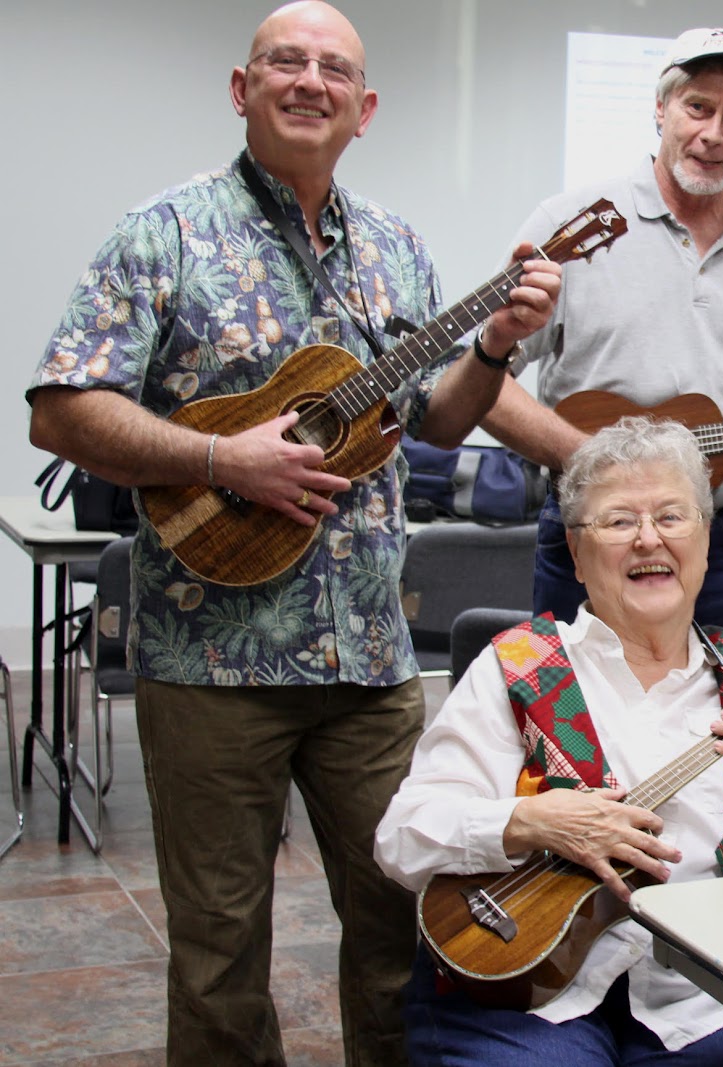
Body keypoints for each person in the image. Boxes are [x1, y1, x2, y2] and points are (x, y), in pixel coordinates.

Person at [26, 3, 562, 1063]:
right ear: (243, 88)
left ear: (364, 110)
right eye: (286, 60)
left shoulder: (399, 249)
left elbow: (439, 425)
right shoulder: (163, 234)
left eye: (335, 69)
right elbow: (61, 409)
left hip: (368, 659)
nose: (309, 80)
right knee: (220, 949)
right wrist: (223, 458)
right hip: (209, 654)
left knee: (402, 920)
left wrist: (495, 347)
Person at [375, 416, 723, 1066]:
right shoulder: (516, 666)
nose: (647, 538)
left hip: (716, 994)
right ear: (575, 554)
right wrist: (525, 820)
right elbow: (402, 838)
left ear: (707, 541)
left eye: (671, 515)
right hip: (531, 985)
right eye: (617, 521)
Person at [479, 27, 723, 632]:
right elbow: (482, 380)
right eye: (698, 108)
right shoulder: (569, 224)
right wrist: (589, 457)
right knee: (568, 716)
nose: (713, 134)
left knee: (722, 715)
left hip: (722, 537)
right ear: (661, 108)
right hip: (589, 525)